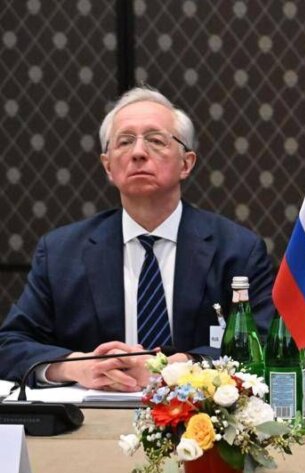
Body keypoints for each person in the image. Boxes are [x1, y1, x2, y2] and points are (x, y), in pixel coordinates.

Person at [0, 86, 273, 390]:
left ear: (186, 163)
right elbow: (10, 344)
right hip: (93, 413)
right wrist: (76, 366)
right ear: (108, 166)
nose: (138, 152)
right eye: (125, 141)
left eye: (155, 140)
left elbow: (265, 344)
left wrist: (170, 370)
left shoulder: (237, 250)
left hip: (199, 415)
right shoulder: (61, 253)